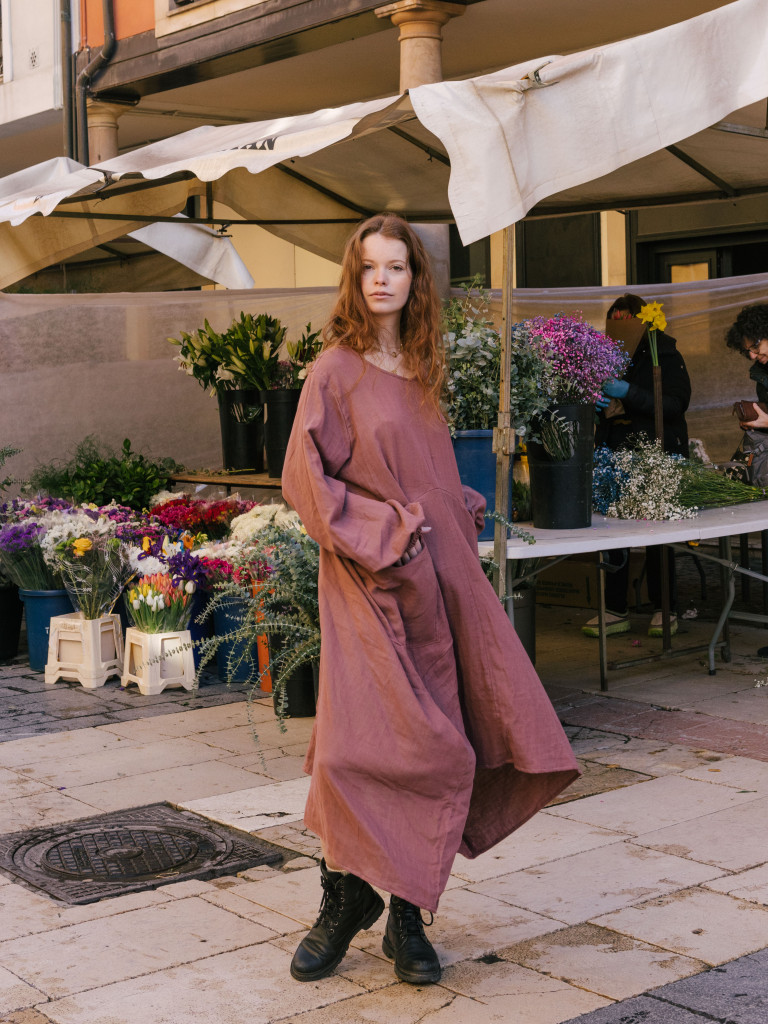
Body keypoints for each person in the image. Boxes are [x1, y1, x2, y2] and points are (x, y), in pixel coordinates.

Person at [281, 213, 579, 986]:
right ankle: (345, 894)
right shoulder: (333, 370)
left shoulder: (420, 365)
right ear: (354, 278)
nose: (383, 279)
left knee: (439, 739)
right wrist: (388, 532)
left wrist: (453, 511)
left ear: (416, 279)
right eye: (370, 266)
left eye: (397, 266)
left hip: (437, 583)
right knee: (352, 747)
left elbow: (423, 469)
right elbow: (306, 482)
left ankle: (407, 912)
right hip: (365, 578)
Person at [582, 293, 691, 639]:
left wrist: (628, 391)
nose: (620, 326)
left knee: (659, 534)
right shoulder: (607, 355)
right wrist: (596, 406)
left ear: (643, 321)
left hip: (656, 453)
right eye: (614, 320)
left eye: (626, 319)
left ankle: (665, 607)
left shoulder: (665, 353)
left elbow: (675, 404)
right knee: (612, 532)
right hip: (615, 453)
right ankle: (615, 608)